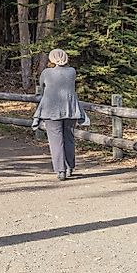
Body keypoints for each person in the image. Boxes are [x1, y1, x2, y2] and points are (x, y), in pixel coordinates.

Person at [31, 49, 90, 181]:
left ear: (52, 59)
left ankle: (60, 170)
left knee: (55, 140)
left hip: (51, 110)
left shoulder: (47, 73)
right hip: (70, 109)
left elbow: (41, 85)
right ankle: (70, 167)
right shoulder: (72, 72)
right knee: (69, 138)